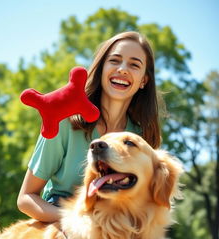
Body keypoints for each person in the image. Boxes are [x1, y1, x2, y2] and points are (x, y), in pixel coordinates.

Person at [17, 31, 163, 223]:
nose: (123, 69)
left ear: (144, 80)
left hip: (117, 225)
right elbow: (26, 198)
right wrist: (77, 222)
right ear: (101, 69)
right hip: (61, 222)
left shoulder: (141, 139)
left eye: (134, 65)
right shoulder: (64, 122)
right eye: (115, 60)